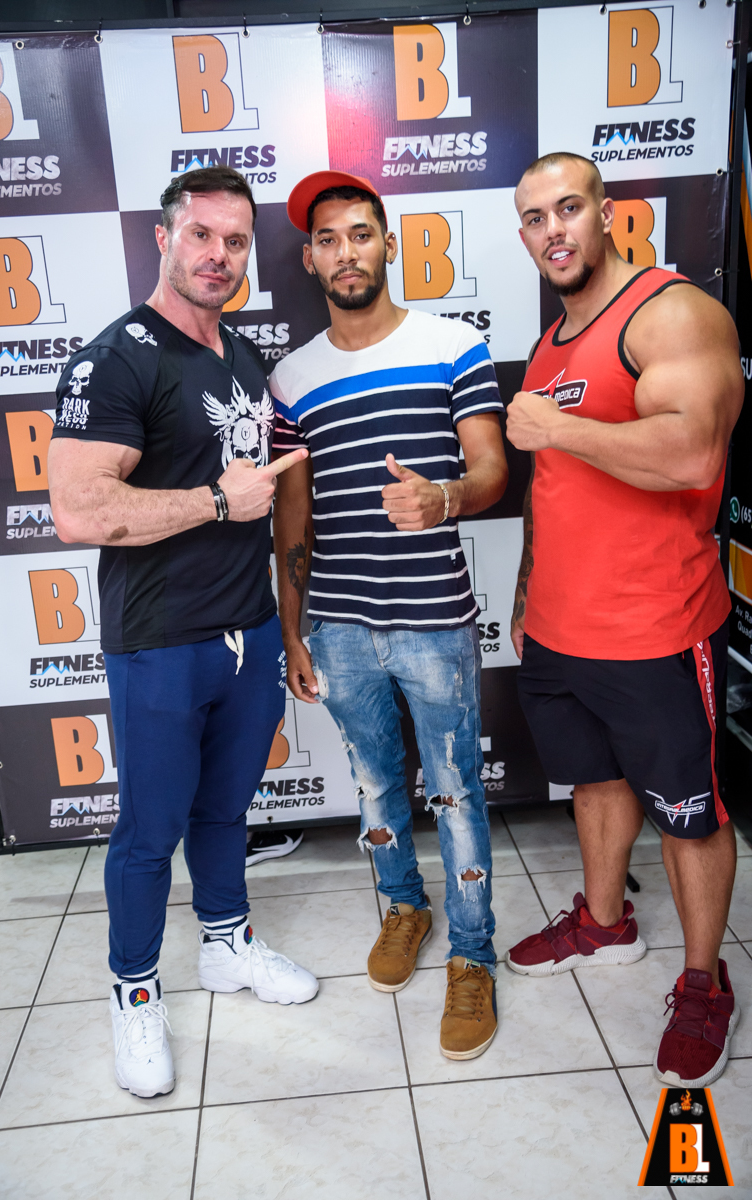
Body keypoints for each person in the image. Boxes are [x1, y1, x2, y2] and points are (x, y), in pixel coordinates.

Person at [47, 166, 318, 1101]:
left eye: (235, 241)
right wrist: (215, 500)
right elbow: (79, 511)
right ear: (163, 238)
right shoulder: (116, 359)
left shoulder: (239, 354)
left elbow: (267, 492)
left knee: (226, 812)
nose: (218, 255)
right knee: (149, 831)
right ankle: (133, 990)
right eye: (200, 234)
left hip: (247, 632)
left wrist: (284, 627)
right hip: (161, 639)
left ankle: (225, 944)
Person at [505, 152, 744, 1088]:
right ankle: (604, 923)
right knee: (595, 782)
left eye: (568, 208)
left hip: (655, 627)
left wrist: (556, 427)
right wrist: (527, 594)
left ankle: (703, 980)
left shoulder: (667, 312)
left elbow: (692, 453)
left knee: (688, 814)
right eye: (534, 218)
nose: (552, 230)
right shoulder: (553, 342)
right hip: (560, 628)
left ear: (607, 213)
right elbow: (552, 488)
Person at [270, 170, 509, 1060]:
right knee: (374, 785)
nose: (346, 253)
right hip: (335, 625)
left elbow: (491, 470)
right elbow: (291, 518)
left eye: (360, 234)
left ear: (387, 244)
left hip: (433, 619)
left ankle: (473, 953)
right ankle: (405, 908)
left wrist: (443, 497)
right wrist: (292, 631)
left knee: (454, 792)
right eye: (328, 239)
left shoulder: (453, 345)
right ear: (310, 259)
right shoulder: (291, 376)